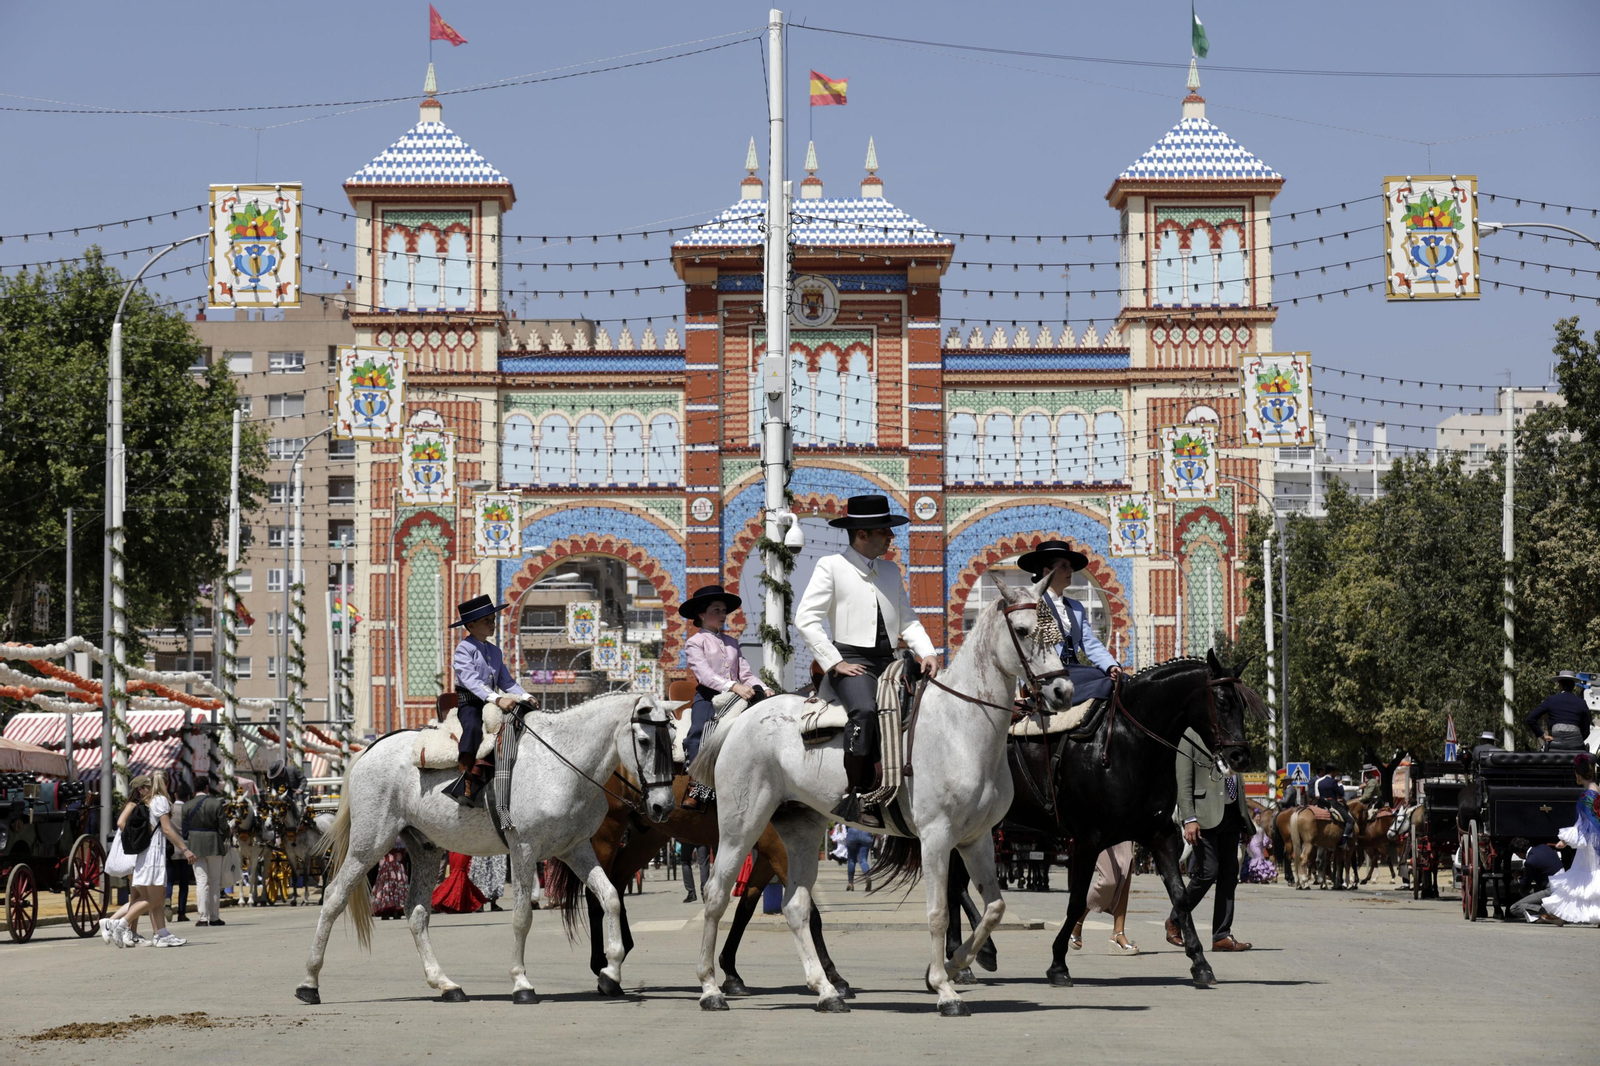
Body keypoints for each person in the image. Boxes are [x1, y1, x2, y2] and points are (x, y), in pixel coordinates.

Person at [794, 494, 940, 829]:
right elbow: (806, 619)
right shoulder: (831, 566)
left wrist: (927, 651)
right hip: (851, 661)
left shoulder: (889, 571)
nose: (891, 537)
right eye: (884, 531)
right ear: (862, 534)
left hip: (890, 662)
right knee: (865, 711)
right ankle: (856, 793)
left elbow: (907, 619)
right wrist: (834, 662)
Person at [680, 583, 766, 811]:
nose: (722, 615)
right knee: (698, 732)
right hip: (709, 698)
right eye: (716, 610)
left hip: (737, 698)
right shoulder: (694, 642)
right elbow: (705, 675)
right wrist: (734, 686)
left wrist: (765, 688)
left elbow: (746, 673)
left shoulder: (732, 643)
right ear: (701, 614)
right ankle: (695, 785)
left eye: (724, 610)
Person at [1166, 728, 1253, 952]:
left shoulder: (1232, 733)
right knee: (1207, 872)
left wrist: (1244, 820)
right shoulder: (1190, 735)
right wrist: (1189, 818)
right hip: (1203, 816)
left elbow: (1238, 779)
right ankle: (1175, 921)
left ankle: (1221, 935)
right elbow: (1183, 781)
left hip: (1232, 815)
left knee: (1229, 875)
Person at [445, 593, 531, 806]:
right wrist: (497, 699)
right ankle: (465, 779)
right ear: (471, 625)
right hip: (471, 702)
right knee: (473, 727)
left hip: (492, 702)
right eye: (487, 620)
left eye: (493, 619)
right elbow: (472, 681)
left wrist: (526, 696)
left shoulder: (494, 650)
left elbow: (507, 681)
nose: (493, 624)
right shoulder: (463, 649)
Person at [1015, 539, 1123, 704]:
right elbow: (1023, 647)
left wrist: (1111, 666)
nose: (1071, 570)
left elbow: (1090, 643)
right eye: (1064, 565)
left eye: (1071, 566)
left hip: (1074, 670)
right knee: (1104, 684)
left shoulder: (1076, 607)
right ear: (1046, 571)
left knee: (1122, 680)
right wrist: (1027, 682)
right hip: (1047, 675)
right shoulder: (1031, 605)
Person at [101, 772, 196, 948]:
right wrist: (185, 849)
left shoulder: (149, 801)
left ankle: (161, 934)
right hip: (153, 854)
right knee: (153, 898)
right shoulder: (160, 801)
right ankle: (118, 923)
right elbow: (166, 829)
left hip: (146, 854)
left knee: (155, 897)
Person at [1536, 753, 1600, 926]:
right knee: (1590, 879)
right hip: (1595, 841)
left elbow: (1584, 823)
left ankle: (1560, 913)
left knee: (1582, 878)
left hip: (1590, 843)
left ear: (1579, 774)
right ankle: (1563, 914)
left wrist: (1565, 840)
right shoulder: (1596, 789)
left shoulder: (1587, 794)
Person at [1071, 842, 1140, 954]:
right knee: (1109, 881)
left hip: (1123, 826)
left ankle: (1118, 933)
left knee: (1125, 871)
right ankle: (1077, 918)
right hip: (1098, 828)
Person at [183, 777, 229, 928]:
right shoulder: (216, 804)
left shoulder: (187, 806)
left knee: (201, 881)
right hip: (214, 844)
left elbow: (184, 831)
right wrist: (222, 838)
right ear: (207, 787)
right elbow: (223, 827)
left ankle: (202, 917)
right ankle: (214, 917)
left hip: (195, 845)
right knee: (215, 881)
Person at [1527, 671, 1592, 752]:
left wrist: (1543, 735)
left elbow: (1530, 719)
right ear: (1573, 686)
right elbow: (1586, 730)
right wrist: (1576, 740)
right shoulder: (1581, 702)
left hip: (1555, 743)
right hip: (1576, 745)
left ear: (1560, 685)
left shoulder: (1551, 700)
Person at [1507, 837, 1565, 923]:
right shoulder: (1544, 847)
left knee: (1514, 907)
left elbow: (1525, 884)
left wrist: (1518, 878)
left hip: (1552, 888)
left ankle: (1547, 912)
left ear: (1519, 853)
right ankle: (1543, 914)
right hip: (1565, 885)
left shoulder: (1530, 861)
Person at [166, 780, 194, 922]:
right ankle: (181, 913)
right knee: (184, 883)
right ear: (188, 796)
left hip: (170, 849)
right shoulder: (189, 810)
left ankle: (167, 903)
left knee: (169, 880)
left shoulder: (169, 809)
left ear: (175, 794)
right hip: (186, 850)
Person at [1314, 762, 1354, 845]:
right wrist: (1340, 785)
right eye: (1336, 772)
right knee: (1350, 821)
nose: (1336, 774)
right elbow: (1341, 792)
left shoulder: (1318, 781)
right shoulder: (1333, 782)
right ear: (1332, 772)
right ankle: (1343, 842)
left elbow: (1317, 795)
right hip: (1333, 803)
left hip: (1321, 803)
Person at [1241, 810, 1279, 884]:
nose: (1259, 818)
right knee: (1259, 858)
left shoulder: (1260, 826)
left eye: (1259, 817)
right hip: (1253, 845)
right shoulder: (1252, 825)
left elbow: (1264, 836)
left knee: (1260, 859)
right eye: (1257, 817)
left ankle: (1256, 877)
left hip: (1260, 845)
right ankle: (1262, 878)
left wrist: (1268, 843)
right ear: (1254, 817)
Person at [844, 826, 874, 891]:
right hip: (865, 832)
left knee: (851, 860)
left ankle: (850, 883)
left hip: (852, 831)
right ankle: (867, 876)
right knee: (863, 860)